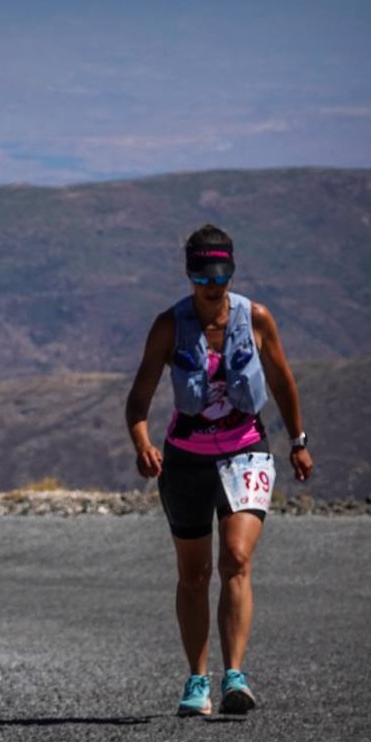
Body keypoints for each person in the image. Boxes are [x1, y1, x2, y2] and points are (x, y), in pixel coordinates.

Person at [124, 225, 313, 716]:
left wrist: (298, 441)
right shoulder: (169, 326)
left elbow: (282, 381)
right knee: (194, 573)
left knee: (235, 558)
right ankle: (195, 680)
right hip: (186, 459)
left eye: (222, 274)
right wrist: (143, 444)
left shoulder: (257, 319)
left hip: (247, 450)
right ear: (190, 274)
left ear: (232, 270)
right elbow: (138, 400)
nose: (214, 285)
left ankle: (234, 675)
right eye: (204, 275)